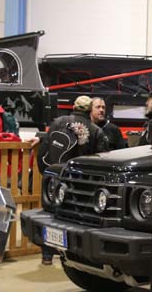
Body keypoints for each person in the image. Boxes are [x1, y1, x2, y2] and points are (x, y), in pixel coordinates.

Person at [37, 95, 107, 265]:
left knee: (51, 216)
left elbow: (44, 150)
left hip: (55, 178)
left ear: (74, 107)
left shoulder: (58, 122)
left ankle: (47, 256)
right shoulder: (96, 131)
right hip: (80, 184)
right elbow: (101, 162)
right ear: (90, 109)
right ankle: (75, 256)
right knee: (75, 220)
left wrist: (46, 173)